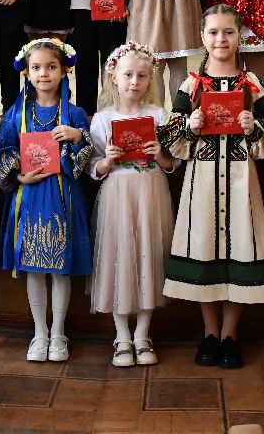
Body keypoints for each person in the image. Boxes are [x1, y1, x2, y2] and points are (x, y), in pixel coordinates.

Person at [162, 4, 264, 370]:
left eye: (228, 32)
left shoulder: (252, 85)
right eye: (213, 32)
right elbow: (171, 138)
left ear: (240, 36)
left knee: (240, 246)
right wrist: (190, 126)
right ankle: (209, 334)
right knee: (204, 248)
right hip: (202, 181)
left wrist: (252, 128)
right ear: (202, 37)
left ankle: (230, 334)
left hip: (241, 181)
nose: (221, 39)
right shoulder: (191, 85)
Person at [0, 38, 92, 363]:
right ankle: (39, 332)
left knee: (60, 268)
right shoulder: (16, 113)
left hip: (63, 197)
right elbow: (2, 152)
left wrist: (78, 136)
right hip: (30, 197)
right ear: (27, 72)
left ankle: (59, 332)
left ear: (64, 71)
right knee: (33, 267)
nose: (43, 73)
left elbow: (89, 156)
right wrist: (18, 177)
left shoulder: (75, 113)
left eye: (51, 67)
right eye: (36, 67)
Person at [88, 42, 176, 367]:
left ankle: (142, 333)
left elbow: (171, 164)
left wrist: (159, 155)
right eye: (128, 75)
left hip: (150, 193)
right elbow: (93, 166)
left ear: (151, 79)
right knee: (119, 257)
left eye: (142, 75)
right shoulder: (102, 119)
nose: (134, 82)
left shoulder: (159, 116)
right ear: (114, 76)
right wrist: (106, 161)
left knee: (148, 256)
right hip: (117, 196)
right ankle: (121, 335)